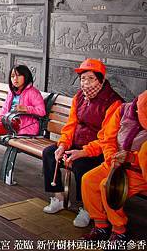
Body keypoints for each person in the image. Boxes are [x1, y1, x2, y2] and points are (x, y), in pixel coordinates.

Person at [41, 59, 123, 228]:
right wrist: (63, 144)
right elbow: (71, 125)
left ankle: (86, 208)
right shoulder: (79, 97)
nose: (86, 83)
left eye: (91, 79)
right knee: (50, 153)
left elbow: (107, 139)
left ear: (101, 79)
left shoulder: (114, 102)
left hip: (98, 150)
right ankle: (58, 197)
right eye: (83, 78)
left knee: (80, 164)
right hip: (76, 143)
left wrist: (84, 152)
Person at [81, 90, 147, 241]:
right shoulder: (122, 110)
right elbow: (108, 139)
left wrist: (130, 157)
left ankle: (119, 230)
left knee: (107, 186)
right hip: (114, 163)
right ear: (136, 108)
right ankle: (101, 226)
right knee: (88, 180)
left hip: (138, 171)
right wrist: (112, 158)